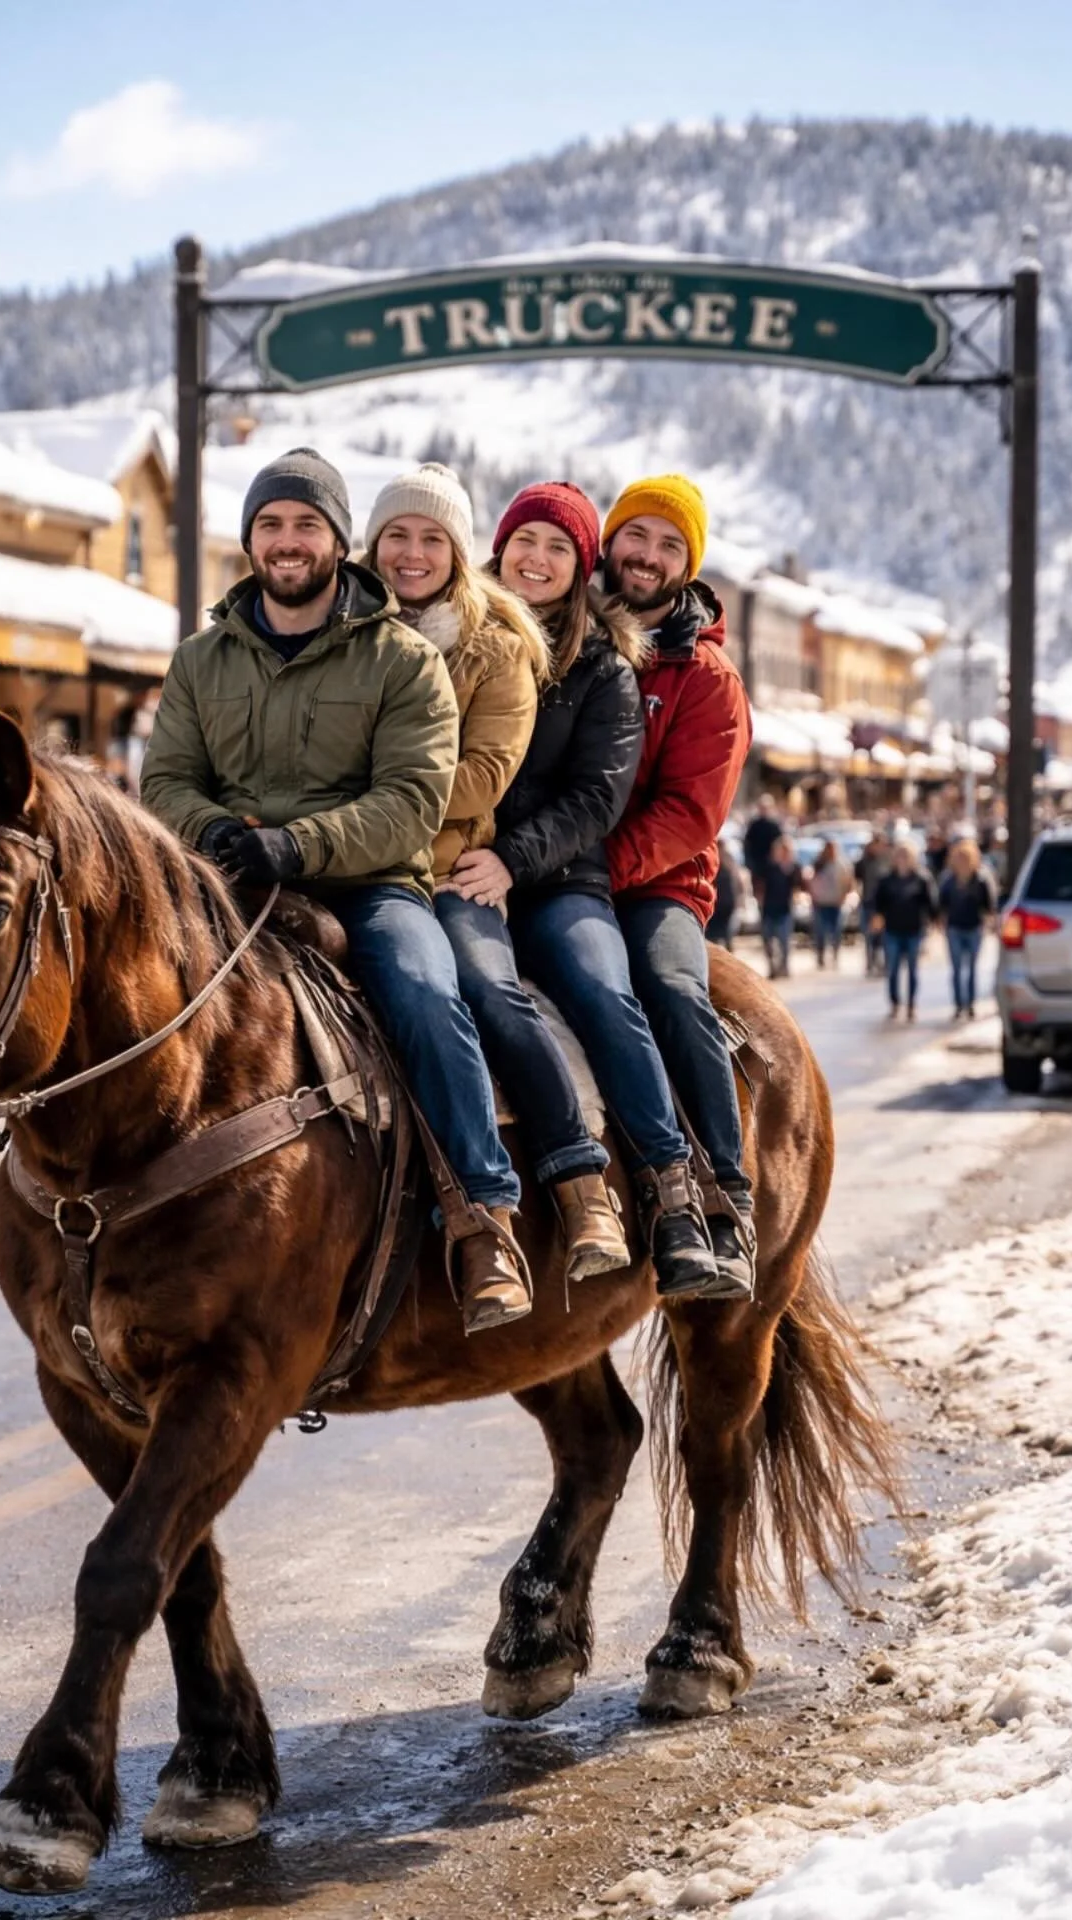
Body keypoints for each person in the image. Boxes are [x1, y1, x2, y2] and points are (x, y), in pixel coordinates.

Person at [140, 447, 528, 1333]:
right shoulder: (201, 661)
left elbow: (411, 803)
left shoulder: (401, 660)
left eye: (306, 525)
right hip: (225, 880)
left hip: (371, 886)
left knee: (430, 997)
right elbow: (164, 783)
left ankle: (483, 1217)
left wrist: (294, 845)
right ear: (249, 542)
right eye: (270, 524)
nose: (287, 541)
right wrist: (220, 840)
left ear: (337, 543)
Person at [363, 465, 629, 1286]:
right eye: (397, 535)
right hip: (338, 861)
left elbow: (487, 778)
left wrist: (355, 802)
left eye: (432, 538)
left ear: (458, 551)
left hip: (451, 868)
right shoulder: (345, 627)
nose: (412, 554)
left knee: (486, 988)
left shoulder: (497, 645)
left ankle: (581, 1176)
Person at [460, 482, 720, 1297]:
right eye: (524, 543)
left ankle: (673, 1185)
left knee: (609, 993)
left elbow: (598, 796)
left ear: (581, 566)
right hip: (458, 866)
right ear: (498, 551)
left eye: (557, 548)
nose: (536, 561)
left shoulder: (607, 665)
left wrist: (514, 859)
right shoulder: (454, 636)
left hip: (561, 876)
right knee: (467, 991)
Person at [601, 474, 757, 1299]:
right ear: (609, 541)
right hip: (545, 872)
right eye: (637, 536)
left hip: (656, 884)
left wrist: (594, 867)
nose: (648, 556)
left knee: (670, 986)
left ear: (688, 564)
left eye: (670, 545)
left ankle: (725, 1195)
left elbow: (689, 816)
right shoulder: (566, 635)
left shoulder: (706, 678)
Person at [871, 840, 938, 1021]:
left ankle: (911, 1004)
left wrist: (935, 922)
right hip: (892, 930)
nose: (902, 860)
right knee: (892, 969)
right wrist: (877, 918)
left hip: (914, 930)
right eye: (899, 856)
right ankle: (894, 1002)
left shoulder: (921, 879)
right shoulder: (886, 880)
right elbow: (878, 903)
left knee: (912, 970)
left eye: (906, 856)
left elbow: (930, 904)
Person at [938, 839, 996, 1020]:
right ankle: (958, 1004)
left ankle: (970, 1004)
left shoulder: (981, 878)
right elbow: (942, 903)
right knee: (956, 969)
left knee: (971, 968)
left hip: (974, 927)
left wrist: (990, 921)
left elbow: (989, 903)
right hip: (954, 927)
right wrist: (940, 921)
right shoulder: (949, 879)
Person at [760, 836, 801, 979]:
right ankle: (772, 966)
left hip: (785, 909)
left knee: (784, 941)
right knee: (768, 941)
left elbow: (798, 886)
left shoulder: (793, 868)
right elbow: (762, 886)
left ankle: (784, 966)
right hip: (769, 909)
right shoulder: (770, 867)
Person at [808, 837, 852, 969]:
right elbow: (811, 881)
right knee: (820, 933)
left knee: (836, 932)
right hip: (821, 903)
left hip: (835, 903)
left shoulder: (842, 864)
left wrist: (843, 897)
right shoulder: (819, 864)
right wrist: (813, 896)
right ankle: (820, 956)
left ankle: (835, 955)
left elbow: (848, 882)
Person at [856, 830, 892, 976]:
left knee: (884, 937)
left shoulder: (888, 861)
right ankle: (871, 963)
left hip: (885, 906)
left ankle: (886, 964)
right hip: (868, 903)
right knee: (870, 936)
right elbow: (857, 878)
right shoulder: (864, 862)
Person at [742, 794, 783, 907]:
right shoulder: (754, 825)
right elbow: (747, 845)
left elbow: (780, 845)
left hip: (770, 867)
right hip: (756, 866)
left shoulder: (775, 826)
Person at [707, 841, 741, 951]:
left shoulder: (726, 861)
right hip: (718, 903)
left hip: (723, 903)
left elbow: (737, 882)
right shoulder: (715, 861)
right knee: (717, 934)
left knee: (723, 933)